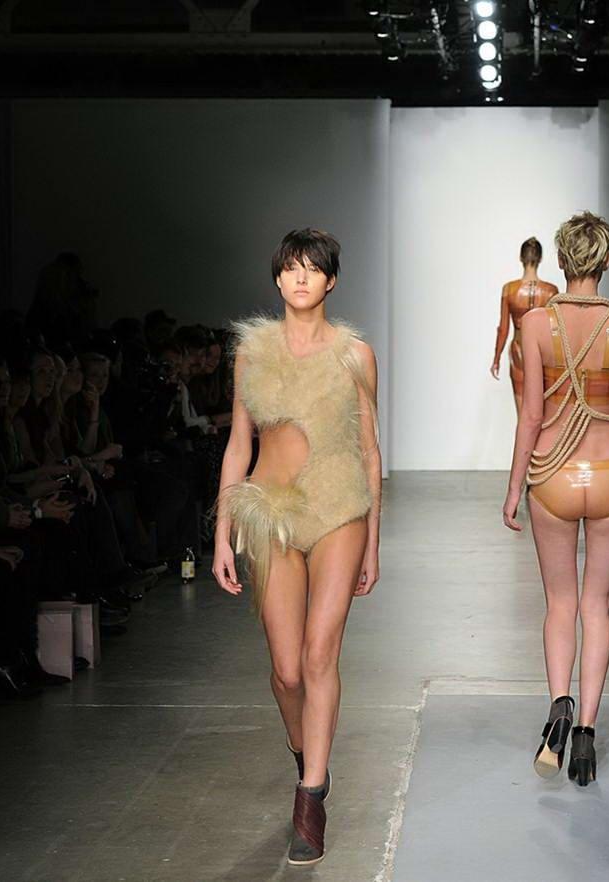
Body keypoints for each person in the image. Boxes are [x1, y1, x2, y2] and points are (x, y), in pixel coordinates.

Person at [212, 228, 381, 867]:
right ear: (278, 278)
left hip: (339, 509)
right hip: (273, 512)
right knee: (286, 670)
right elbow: (238, 444)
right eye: (291, 267)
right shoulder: (252, 353)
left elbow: (370, 450)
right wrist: (222, 529)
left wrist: (373, 542)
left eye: (313, 268)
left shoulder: (355, 355)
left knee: (318, 654)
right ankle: (306, 754)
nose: (301, 277)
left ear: (331, 280)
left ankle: (310, 798)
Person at [503, 211, 609, 787]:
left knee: (560, 604)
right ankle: (588, 732)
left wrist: (513, 487)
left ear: (562, 259)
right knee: (598, 606)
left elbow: (531, 415)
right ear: (608, 258)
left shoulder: (537, 323)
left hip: (554, 475)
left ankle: (560, 707)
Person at [492, 237, 559, 413]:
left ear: (521, 258)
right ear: (540, 258)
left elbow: (503, 329)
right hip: (543, 353)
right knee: (542, 412)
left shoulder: (510, 290)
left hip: (519, 350)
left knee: (523, 414)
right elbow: (555, 331)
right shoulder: (550, 292)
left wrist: (496, 358)